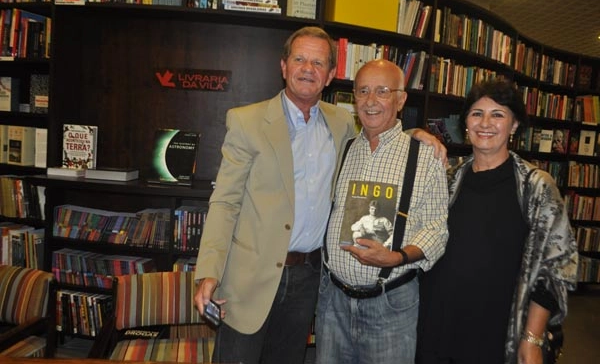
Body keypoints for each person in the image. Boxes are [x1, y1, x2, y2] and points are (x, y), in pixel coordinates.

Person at [192, 27, 446, 364]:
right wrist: (208, 271)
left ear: (329, 76)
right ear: (284, 66)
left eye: (318, 62)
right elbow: (225, 202)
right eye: (299, 59)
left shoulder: (341, 122)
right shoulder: (246, 121)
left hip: (310, 279)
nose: (308, 68)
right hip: (250, 279)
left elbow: (381, 134)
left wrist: (414, 135)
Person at [417, 79, 579, 364]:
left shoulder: (536, 187)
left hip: (496, 332)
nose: (485, 123)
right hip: (437, 323)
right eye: (477, 113)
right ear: (465, 122)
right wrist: (416, 132)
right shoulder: (449, 179)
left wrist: (532, 340)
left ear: (514, 125)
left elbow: (557, 268)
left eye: (498, 114)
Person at [316, 59, 449, 364]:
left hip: (390, 305)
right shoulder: (344, 148)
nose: (371, 101)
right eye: (363, 91)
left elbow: (437, 231)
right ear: (354, 99)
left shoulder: (425, 156)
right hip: (332, 301)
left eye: (382, 91)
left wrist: (396, 258)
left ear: (401, 99)